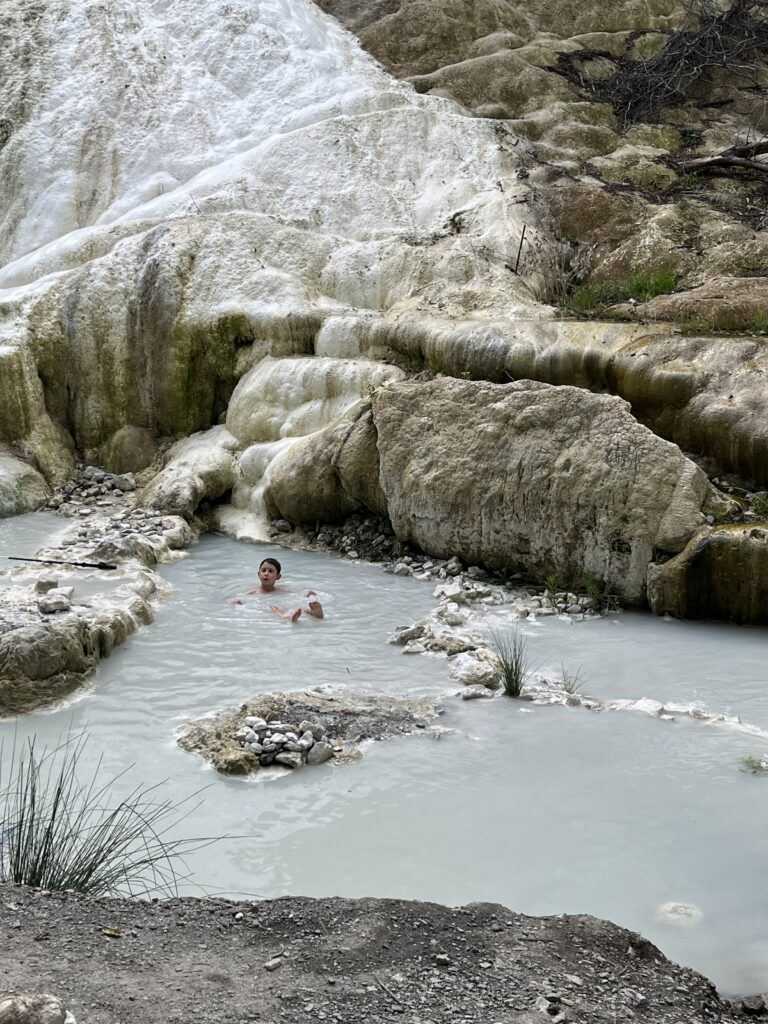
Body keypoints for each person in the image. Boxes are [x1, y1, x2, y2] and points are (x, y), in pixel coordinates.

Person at [229, 557, 324, 622]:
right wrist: (238, 602)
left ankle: (314, 612)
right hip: (267, 609)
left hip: (283, 604)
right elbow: (240, 599)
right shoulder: (252, 593)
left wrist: (308, 594)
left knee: (298, 608)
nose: (266, 574)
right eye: (263, 570)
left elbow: (298, 592)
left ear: (278, 577)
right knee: (272, 607)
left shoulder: (283, 589)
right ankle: (287, 617)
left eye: (270, 571)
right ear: (258, 574)